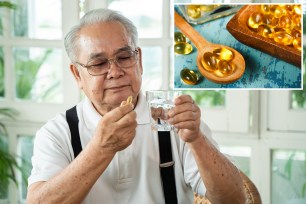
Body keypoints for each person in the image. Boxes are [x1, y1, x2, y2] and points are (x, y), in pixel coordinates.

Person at [27, 8, 246, 204]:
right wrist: (101, 149)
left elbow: (235, 200)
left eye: (124, 57)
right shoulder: (58, 132)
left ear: (139, 60)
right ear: (77, 74)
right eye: (99, 63)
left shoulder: (173, 116)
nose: (115, 71)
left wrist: (197, 139)